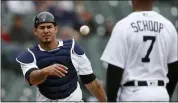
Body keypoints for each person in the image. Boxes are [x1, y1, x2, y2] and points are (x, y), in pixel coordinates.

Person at [16, 11, 107, 102]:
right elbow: (32, 79)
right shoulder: (30, 55)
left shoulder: (73, 48)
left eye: (49, 27)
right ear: (35, 31)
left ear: (56, 29)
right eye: (42, 27)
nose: (46, 30)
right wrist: (46, 71)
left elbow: (91, 81)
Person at [100, 0, 178, 101]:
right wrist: (165, 94)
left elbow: (114, 70)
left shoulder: (123, 25)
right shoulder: (168, 26)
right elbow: (175, 68)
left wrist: (111, 100)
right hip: (160, 92)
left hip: (133, 93)